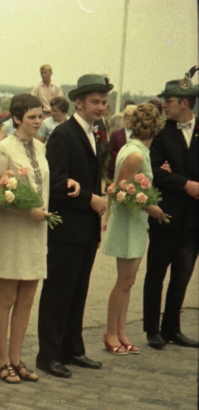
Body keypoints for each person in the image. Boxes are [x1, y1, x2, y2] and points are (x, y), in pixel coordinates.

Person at [37, 74, 111, 378]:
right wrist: (90, 198)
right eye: (95, 101)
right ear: (78, 103)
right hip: (66, 229)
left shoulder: (96, 134)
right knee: (57, 292)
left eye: (104, 102)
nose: (101, 107)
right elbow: (56, 184)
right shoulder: (64, 135)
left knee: (79, 291)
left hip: (86, 229)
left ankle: (73, 348)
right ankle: (49, 354)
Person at [0, 94, 53, 383]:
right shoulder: (3, 147)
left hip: (37, 229)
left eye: (40, 116)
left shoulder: (40, 146)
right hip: (13, 228)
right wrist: (28, 210)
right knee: (8, 295)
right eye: (31, 117)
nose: (38, 122)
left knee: (28, 296)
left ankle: (16, 357)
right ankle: (1, 360)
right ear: (16, 118)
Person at [102, 103, 165, 355]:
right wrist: (150, 207)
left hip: (134, 222)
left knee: (129, 280)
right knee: (124, 280)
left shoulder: (138, 151)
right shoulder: (136, 154)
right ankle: (110, 332)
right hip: (128, 222)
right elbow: (121, 189)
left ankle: (121, 331)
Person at [143, 73, 199, 349]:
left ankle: (172, 328)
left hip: (193, 220)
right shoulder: (161, 134)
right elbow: (152, 171)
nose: (164, 105)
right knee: (156, 273)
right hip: (166, 215)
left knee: (182, 274)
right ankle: (152, 329)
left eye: (170, 101)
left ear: (185, 104)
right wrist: (185, 184)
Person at [106, 105, 136, 181]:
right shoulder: (115, 134)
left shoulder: (138, 135)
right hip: (115, 169)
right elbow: (112, 150)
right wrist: (122, 161)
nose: (130, 122)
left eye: (132, 119)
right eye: (128, 119)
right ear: (124, 119)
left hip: (132, 170)